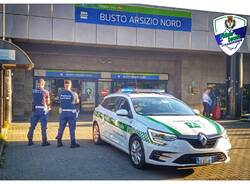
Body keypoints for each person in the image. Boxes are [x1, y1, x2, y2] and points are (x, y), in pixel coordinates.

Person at [56, 80, 80, 148]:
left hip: (63, 112)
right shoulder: (74, 93)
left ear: (64, 85)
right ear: (70, 85)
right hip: (71, 113)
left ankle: (59, 142)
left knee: (61, 127)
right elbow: (77, 102)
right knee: (72, 128)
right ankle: (73, 143)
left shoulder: (60, 93)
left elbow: (59, 101)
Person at [27, 78, 51, 146]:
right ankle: (44, 142)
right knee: (43, 127)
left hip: (35, 110)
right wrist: (48, 107)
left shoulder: (33, 91)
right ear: (43, 84)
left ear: (37, 84)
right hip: (43, 111)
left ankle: (30, 141)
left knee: (32, 126)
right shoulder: (46, 92)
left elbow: (32, 101)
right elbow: (48, 102)